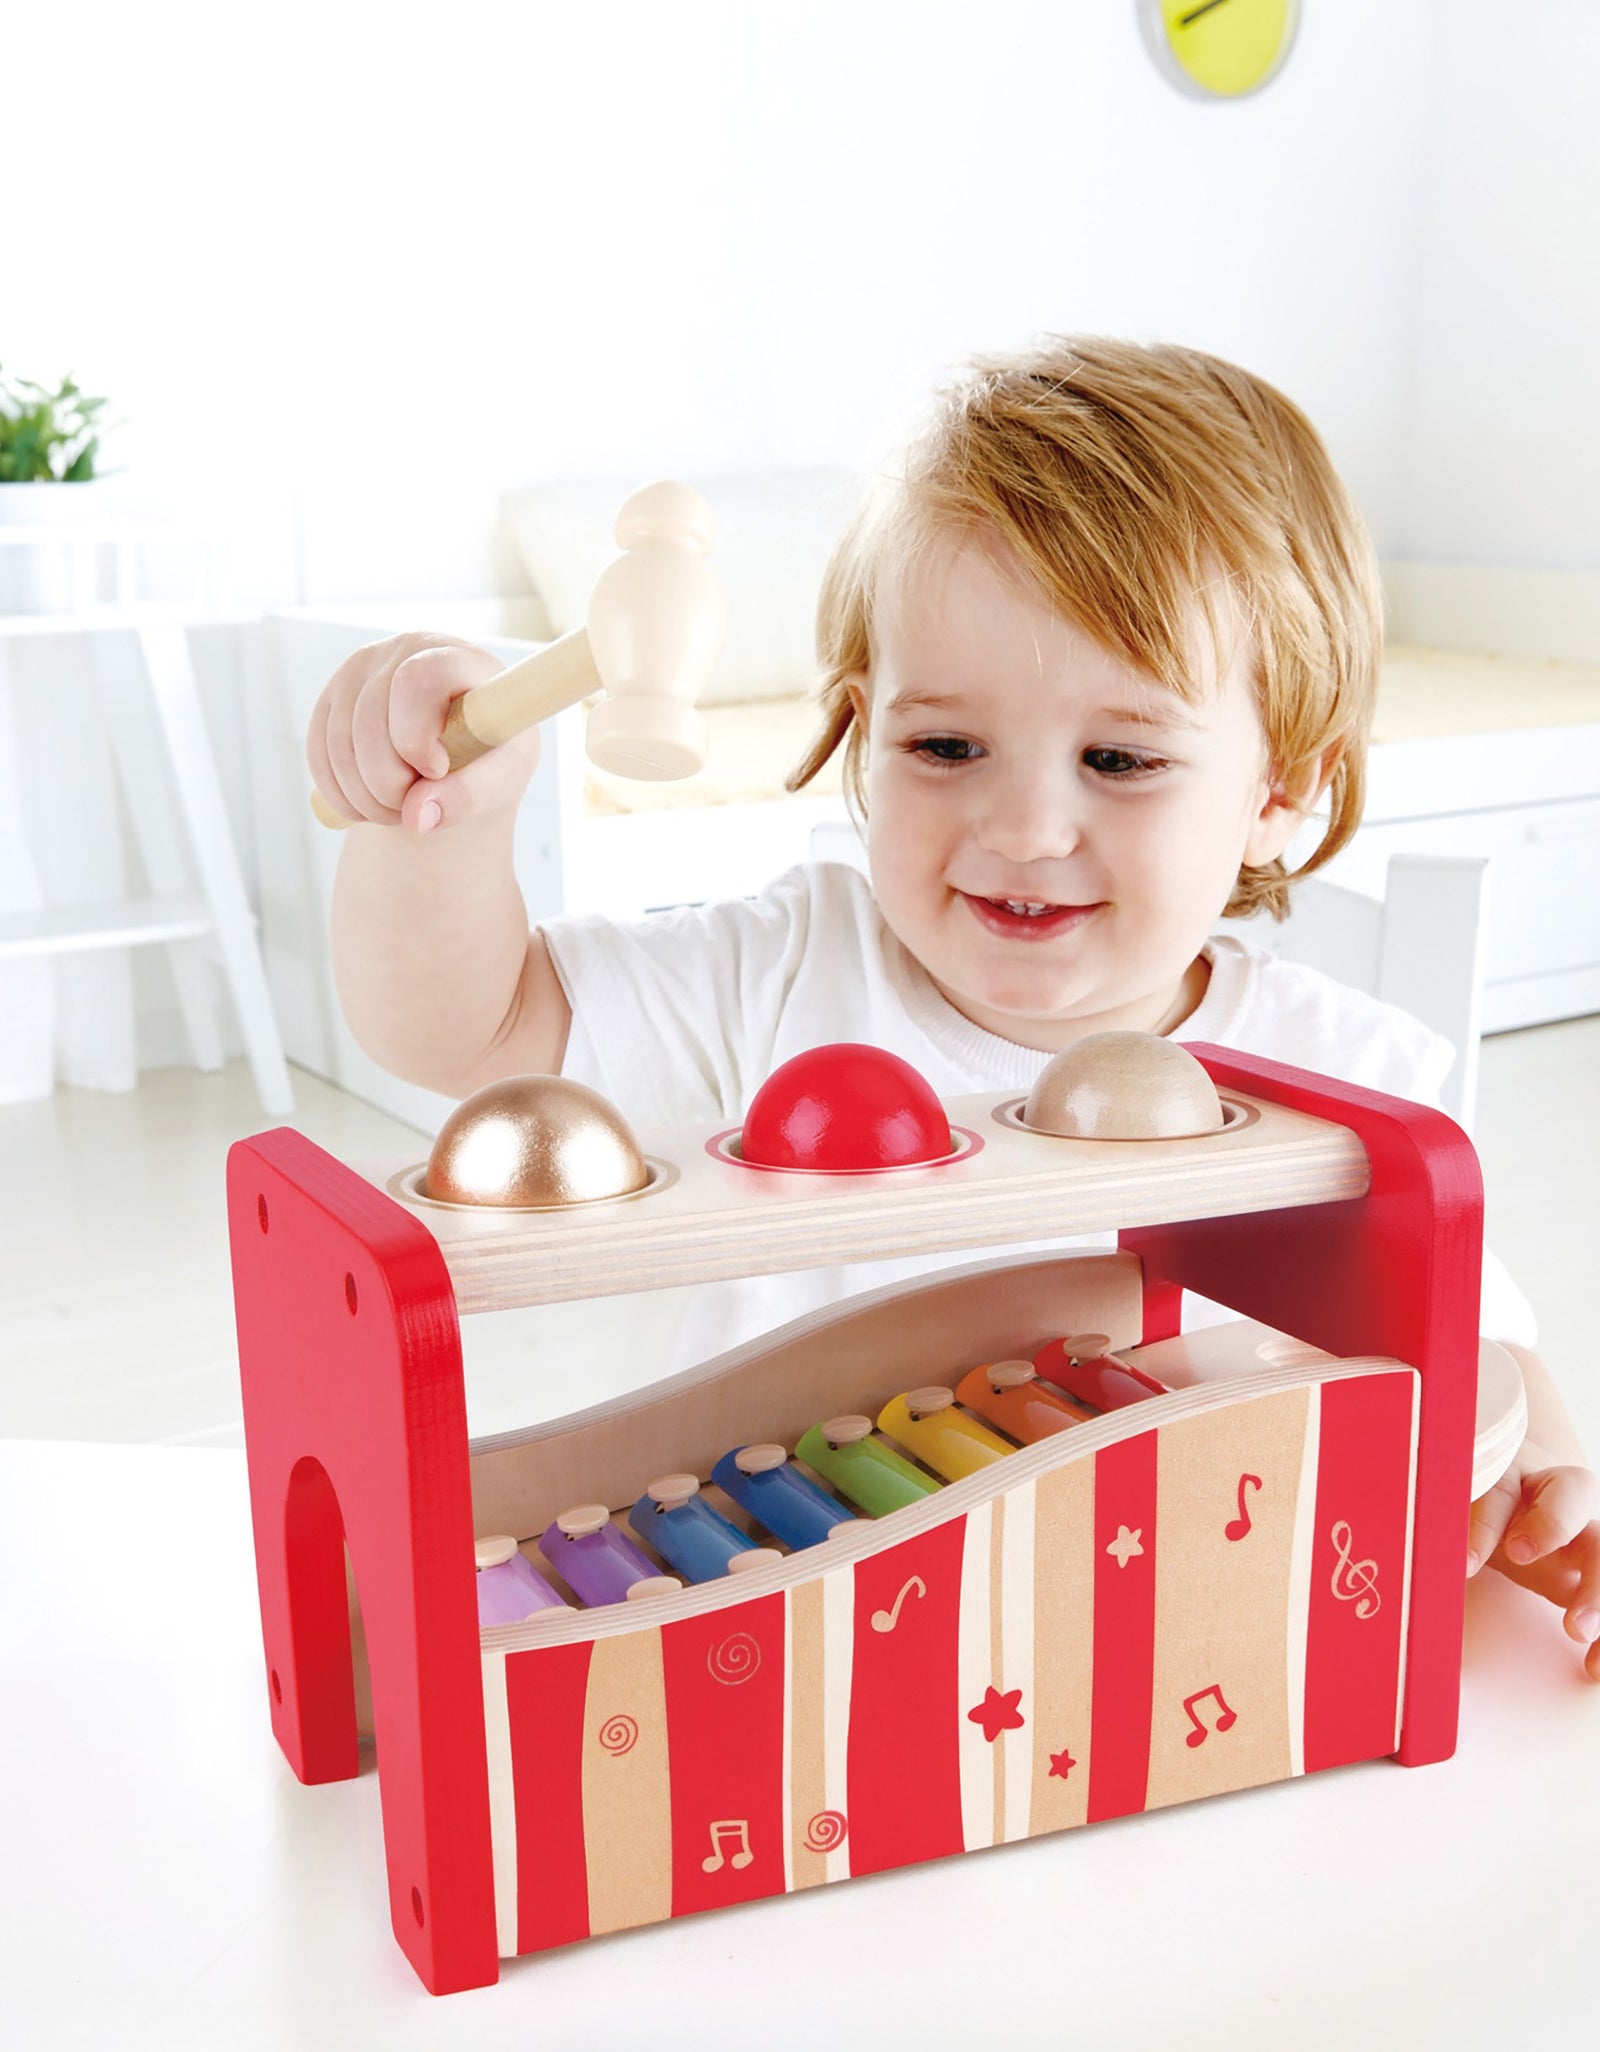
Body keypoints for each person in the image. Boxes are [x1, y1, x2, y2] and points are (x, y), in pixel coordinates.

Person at [307, 336, 1599, 1679]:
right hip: (794, 1645)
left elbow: (1484, 1350)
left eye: (1119, 757)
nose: (1026, 828)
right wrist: (440, 821)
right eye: (944, 747)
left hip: (1181, 1661)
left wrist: (1548, 1473)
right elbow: (465, 1031)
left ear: (1282, 789)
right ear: (867, 734)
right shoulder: (778, 974)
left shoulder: (1355, 1071)